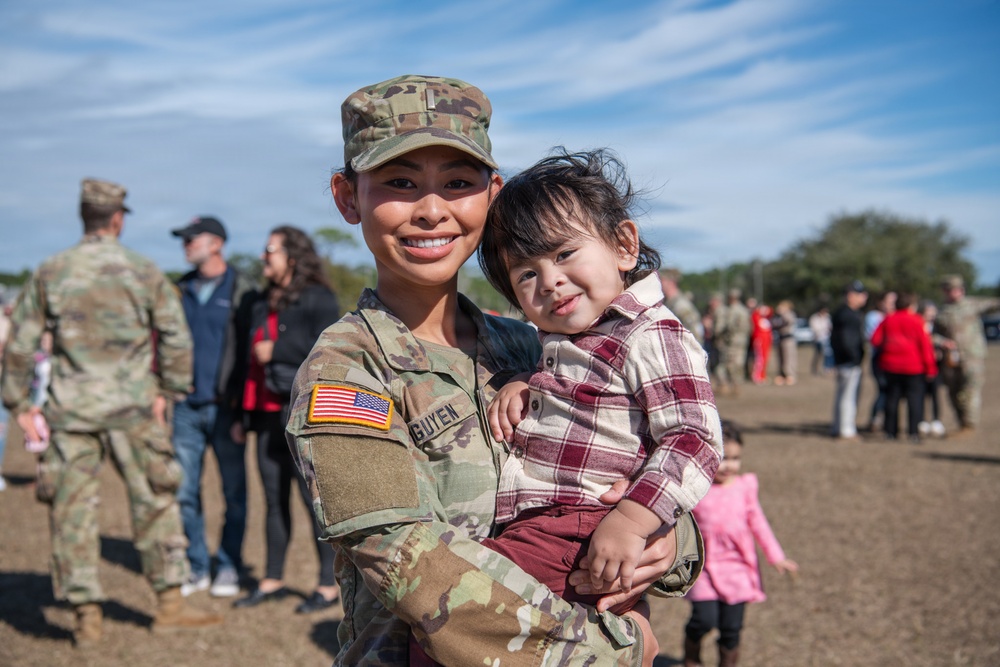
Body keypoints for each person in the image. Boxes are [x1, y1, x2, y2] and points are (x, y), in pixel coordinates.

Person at [285, 74, 702, 666]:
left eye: (458, 183)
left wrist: (670, 536)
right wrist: (610, 651)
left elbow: (641, 457)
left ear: (492, 195)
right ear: (347, 197)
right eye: (400, 183)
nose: (432, 210)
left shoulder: (532, 346)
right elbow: (406, 560)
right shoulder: (348, 369)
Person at [453, 148, 722, 663]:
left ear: (624, 246)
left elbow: (693, 438)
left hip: (576, 522)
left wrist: (632, 521)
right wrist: (526, 382)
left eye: (564, 254)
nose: (549, 280)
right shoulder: (567, 343)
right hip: (550, 526)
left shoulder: (648, 334)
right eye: (525, 274)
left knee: (458, 614)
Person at [0, 178, 222, 647]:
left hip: (71, 412)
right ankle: (169, 605)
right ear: (118, 219)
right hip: (133, 408)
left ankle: (86, 615)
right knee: (155, 503)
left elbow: (20, 343)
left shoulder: (51, 271)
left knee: (72, 512)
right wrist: (169, 391)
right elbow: (176, 335)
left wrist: (18, 403)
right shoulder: (142, 271)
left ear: (84, 217)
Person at [231, 226, 341, 613]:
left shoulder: (318, 297)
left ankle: (327, 586)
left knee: (313, 503)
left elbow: (328, 349)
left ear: (292, 256)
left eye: (270, 250)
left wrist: (277, 349)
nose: (263, 257)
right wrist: (240, 413)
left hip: (302, 416)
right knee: (273, 501)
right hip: (263, 415)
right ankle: (272, 578)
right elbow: (244, 358)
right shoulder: (261, 301)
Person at [170, 216, 256, 598]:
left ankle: (228, 566)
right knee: (184, 492)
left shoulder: (242, 289)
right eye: (184, 239)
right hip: (185, 409)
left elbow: (249, 352)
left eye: (192, 238)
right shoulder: (180, 289)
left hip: (227, 410)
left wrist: (240, 409)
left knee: (233, 494)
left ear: (217, 243)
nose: (186, 245)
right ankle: (197, 566)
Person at [683, 420, 798, 667]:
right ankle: (692, 653)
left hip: (737, 568)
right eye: (723, 458)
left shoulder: (744, 488)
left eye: (736, 458)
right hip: (704, 569)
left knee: (731, 627)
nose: (729, 465)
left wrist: (776, 556)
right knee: (704, 619)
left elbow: (759, 523)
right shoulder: (697, 490)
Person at [932, 275, 998, 436]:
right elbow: (932, 335)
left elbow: (994, 304)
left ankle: (970, 423)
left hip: (973, 356)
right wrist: (942, 342)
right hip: (951, 359)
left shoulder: (972, 305)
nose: (954, 292)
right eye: (950, 289)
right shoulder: (941, 312)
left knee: (971, 389)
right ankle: (961, 422)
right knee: (954, 391)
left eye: (957, 289)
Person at [870, 293, 937, 442]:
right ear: (911, 306)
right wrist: (930, 368)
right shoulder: (917, 320)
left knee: (892, 399)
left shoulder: (888, 319)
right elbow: (925, 346)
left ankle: (890, 432)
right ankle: (913, 432)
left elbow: (875, 340)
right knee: (915, 400)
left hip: (890, 367)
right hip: (914, 367)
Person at [829, 280, 869, 440]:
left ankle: (838, 427)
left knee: (842, 395)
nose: (864, 298)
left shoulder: (841, 313)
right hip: (848, 361)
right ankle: (846, 429)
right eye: (860, 294)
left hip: (842, 360)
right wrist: (855, 357)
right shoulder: (849, 315)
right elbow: (847, 340)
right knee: (848, 396)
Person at [863, 291, 896, 432]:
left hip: (893, 359)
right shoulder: (873, 317)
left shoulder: (894, 317)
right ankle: (875, 419)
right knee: (883, 389)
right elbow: (874, 339)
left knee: (891, 391)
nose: (892, 305)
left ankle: (885, 421)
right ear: (881, 302)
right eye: (890, 301)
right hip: (879, 358)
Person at [917, 301, 946, 438]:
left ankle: (936, 421)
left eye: (933, 311)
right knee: (921, 394)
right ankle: (922, 421)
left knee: (935, 394)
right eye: (928, 311)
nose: (931, 314)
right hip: (920, 365)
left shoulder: (939, 327)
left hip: (936, 366)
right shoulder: (918, 325)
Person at [714, 289, 750, 396]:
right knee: (738, 363)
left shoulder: (731, 310)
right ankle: (736, 385)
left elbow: (728, 326)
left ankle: (728, 386)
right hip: (742, 340)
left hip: (732, 341)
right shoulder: (744, 310)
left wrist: (720, 335)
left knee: (729, 363)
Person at [660, 268, 704, 344]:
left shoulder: (681, 305)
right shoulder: (669, 303)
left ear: (671, 282)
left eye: (662, 280)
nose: (659, 283)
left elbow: (695, 335)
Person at [772, 300, 798, 386]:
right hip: (780, 338)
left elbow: (786, 322)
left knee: (789, 358)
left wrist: (782, 314)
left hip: (788, 339)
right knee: (780, 358)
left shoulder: (789, 315)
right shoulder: (777, 316)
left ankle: (790, 375)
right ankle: (781, 374)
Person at [749, 303, 772, 385]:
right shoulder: (756, 316)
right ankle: (757, 376)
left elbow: (770, 311)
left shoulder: (765, 319)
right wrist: (758, 310)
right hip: (759, 341)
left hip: (766, 342)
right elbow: (754, 318)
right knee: (759, 359)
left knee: (765, 359)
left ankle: (762, 375)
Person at [808, 305, 833, 375]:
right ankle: (815, 369)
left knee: (828, 354)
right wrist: (824, 329)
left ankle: (827, 368)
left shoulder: (828, 317)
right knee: (817, 355)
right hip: (818, 339)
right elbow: (815, 328)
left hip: (827, 338)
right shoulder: (814, 318)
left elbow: (830, 326)